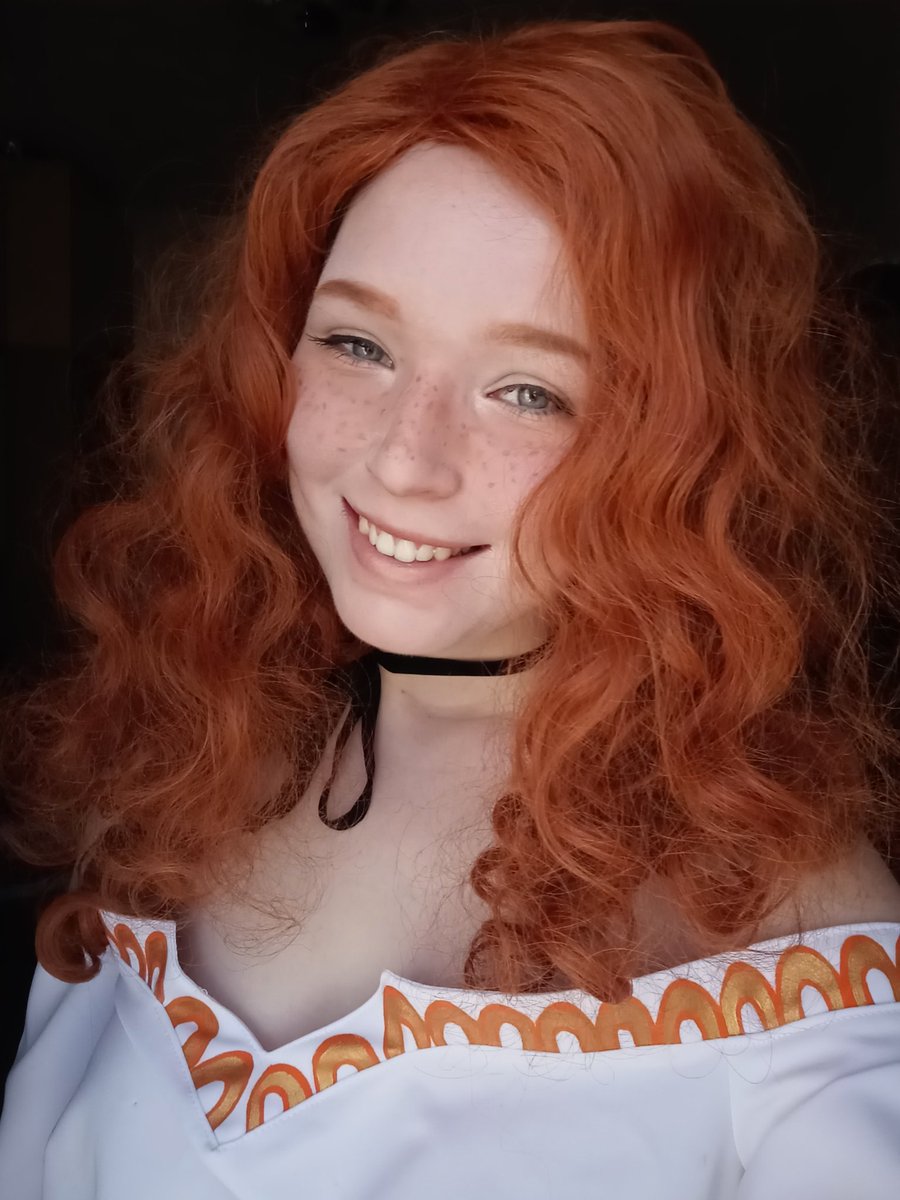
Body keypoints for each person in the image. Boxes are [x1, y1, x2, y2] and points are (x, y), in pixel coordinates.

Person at [1, 16, 899, 1199]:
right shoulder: (190, 772)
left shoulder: (804, 962)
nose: (403, 462)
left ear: (684, 456)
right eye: (358, 344)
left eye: (528, 391)